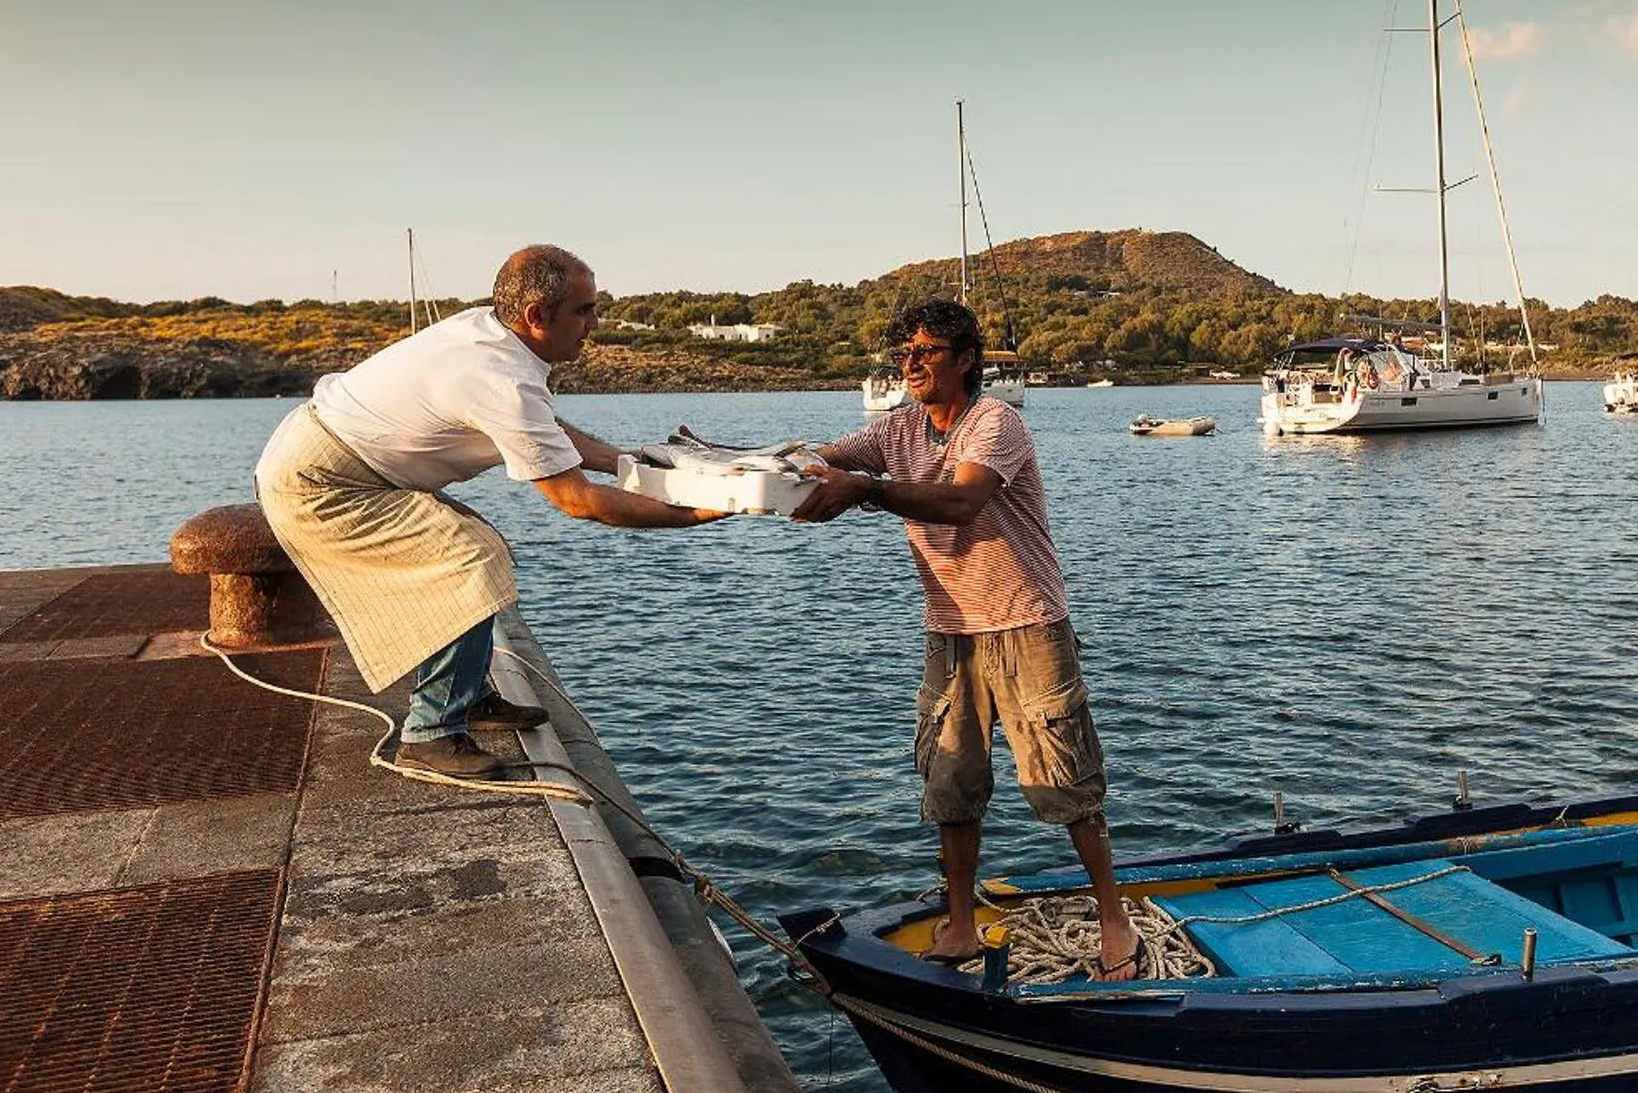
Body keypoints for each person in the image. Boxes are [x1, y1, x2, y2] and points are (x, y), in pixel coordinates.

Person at [256, 245, 724, 780]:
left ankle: (469, 693)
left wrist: (624, 460)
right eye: (585, 310)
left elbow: (550, 433)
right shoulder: (500, 380)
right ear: (536, 317)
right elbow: (579, 501)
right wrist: (695, 514)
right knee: (470, 562)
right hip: (320, 481)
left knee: (476, 547)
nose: (595, 322)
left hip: (333, 458)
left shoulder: (493, 337)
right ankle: (429, 734)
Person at [790, 298, 1141, 979]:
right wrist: (739, 465)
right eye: (905, 352)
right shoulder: (896, 430)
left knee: (1065, 779)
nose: (911, 362)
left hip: (1026, 623)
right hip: (950, 632)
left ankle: (1112, 916)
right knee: (950, 781)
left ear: (966, 358)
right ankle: (958, 924)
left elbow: (959, 500)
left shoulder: (995, 422)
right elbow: (819, 459)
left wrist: (861, 490)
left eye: (926, 350)